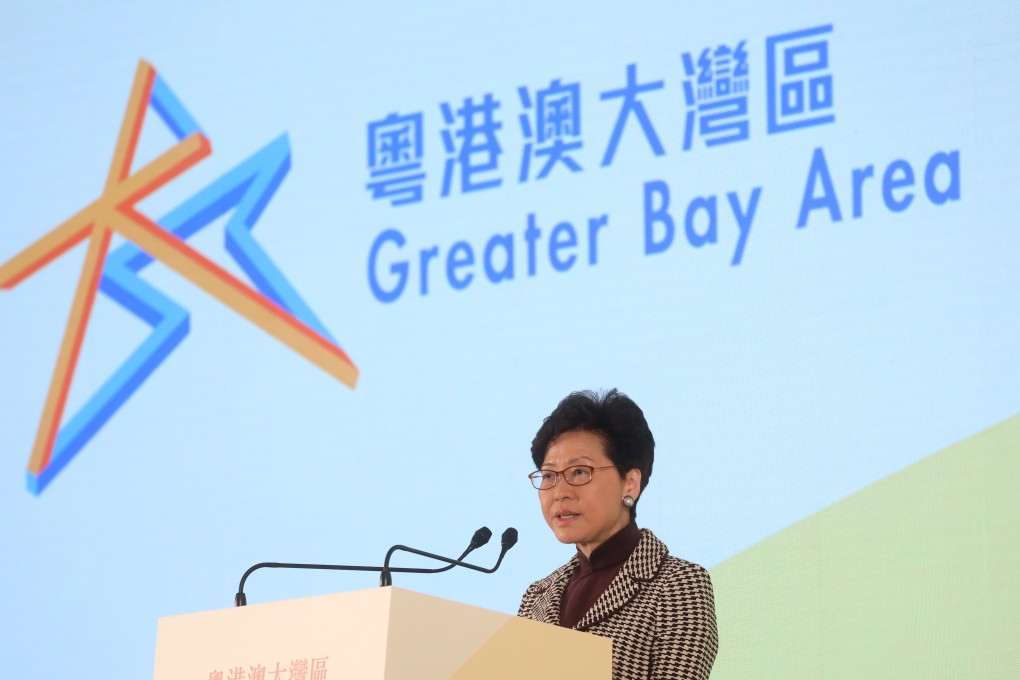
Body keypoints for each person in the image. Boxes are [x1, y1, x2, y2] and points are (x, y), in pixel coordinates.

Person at [518, 389, 718, 680]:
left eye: (579, 472)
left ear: (630, 483)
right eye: (549, 475)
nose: (560, 492)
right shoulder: (536, 597)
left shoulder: (677, 585)